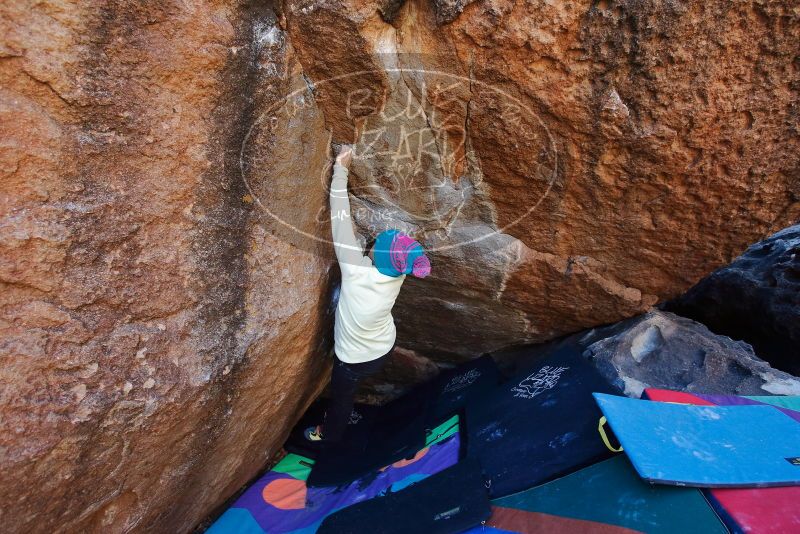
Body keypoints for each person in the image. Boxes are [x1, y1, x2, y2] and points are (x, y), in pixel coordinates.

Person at [305, 144, 431, 443]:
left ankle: (329, 436)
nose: (373, 241)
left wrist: (341, 169)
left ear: (377, 256)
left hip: (352, 359)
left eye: (378, 242)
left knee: (341, 401)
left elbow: (339, 217)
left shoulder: (356, 270)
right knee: (356, 380)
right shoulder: (398, 273)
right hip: (382, 347)